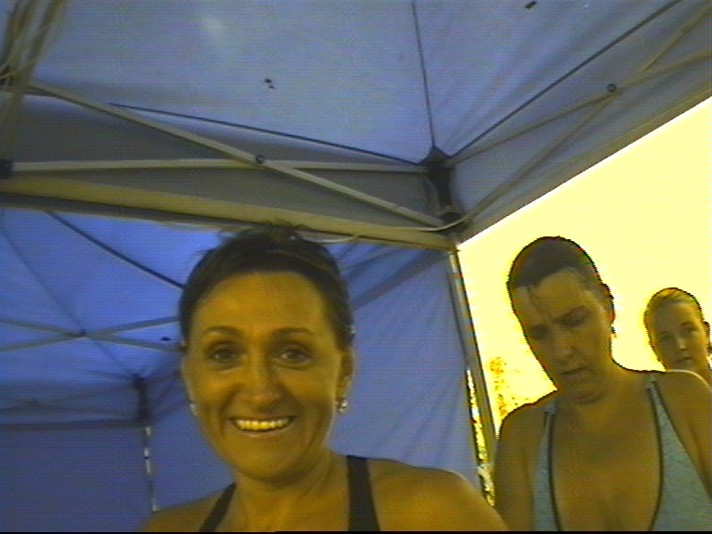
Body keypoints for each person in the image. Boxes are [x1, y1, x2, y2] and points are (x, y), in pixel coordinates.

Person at [141, 225, 506, 532]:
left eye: (293, 353)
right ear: (189, 374)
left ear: (343, 371)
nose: (261, 392)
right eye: (224, 354)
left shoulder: (431, 514)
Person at [493, 236, 711, 531]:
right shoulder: (523, 439)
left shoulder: (683, 400)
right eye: (539, 334)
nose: (561, 350)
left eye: (574, 321)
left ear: (607, 306)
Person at [644, 287, 712, 387]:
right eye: (666, 338)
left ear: (706, 333)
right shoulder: (644, 396)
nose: (680, 346)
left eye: (688, 331)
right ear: (654, 348)